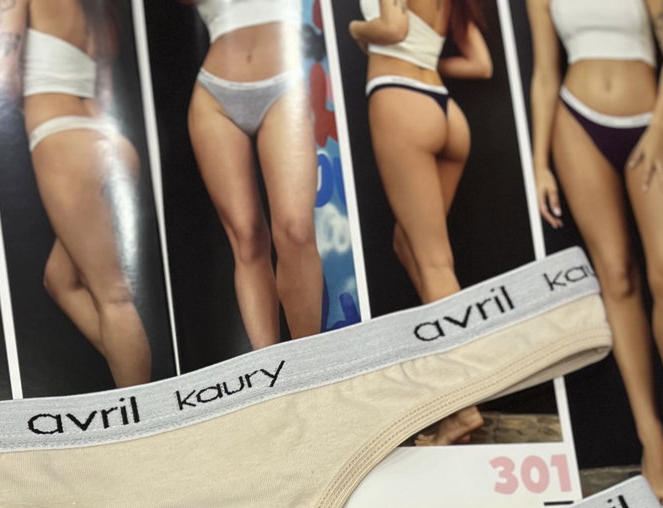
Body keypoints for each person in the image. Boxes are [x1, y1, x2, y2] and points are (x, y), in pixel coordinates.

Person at [527, 0, 663, 502]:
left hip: (649, 121)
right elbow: (545, 73)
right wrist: (539, 163)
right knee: (616, 276)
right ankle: (650, 437)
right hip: (575, 122)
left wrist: (660, 128)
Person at [349, 0, 491, 443]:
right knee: (407, 245)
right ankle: (454, 379)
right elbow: (481, 64)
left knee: (434, 263)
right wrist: (427, 57)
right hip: (444, 110)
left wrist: (357, 30)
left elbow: (392, 29)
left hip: (401, 100)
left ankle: (463, 407)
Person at [0, 0, 151, 385]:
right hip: (111, 142)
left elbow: (1, 76)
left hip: (63, 139)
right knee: (60, 280)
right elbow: (105, 92)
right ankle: (133, 368)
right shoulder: (99, 11)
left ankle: (148, 411)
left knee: (113, 297)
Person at [184, 0, 322, 346]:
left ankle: (313, 366)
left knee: (295, 231)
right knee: (246, 239)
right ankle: (270, 369)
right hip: (215, 95)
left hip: (286, 82)